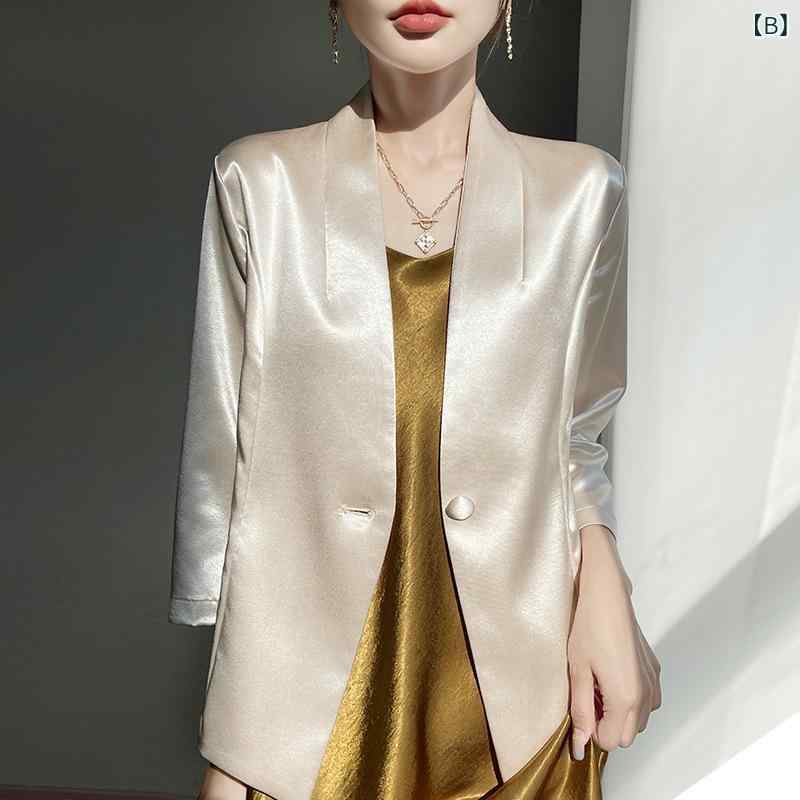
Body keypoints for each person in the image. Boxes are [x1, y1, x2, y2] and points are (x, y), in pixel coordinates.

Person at [170, 2, 662, 798]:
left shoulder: (582, 193)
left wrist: (607, 589)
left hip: (522, 697)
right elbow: (226, 457)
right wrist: (236, 733)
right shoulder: (259, 185)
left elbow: (576, 434)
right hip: (313, 711)